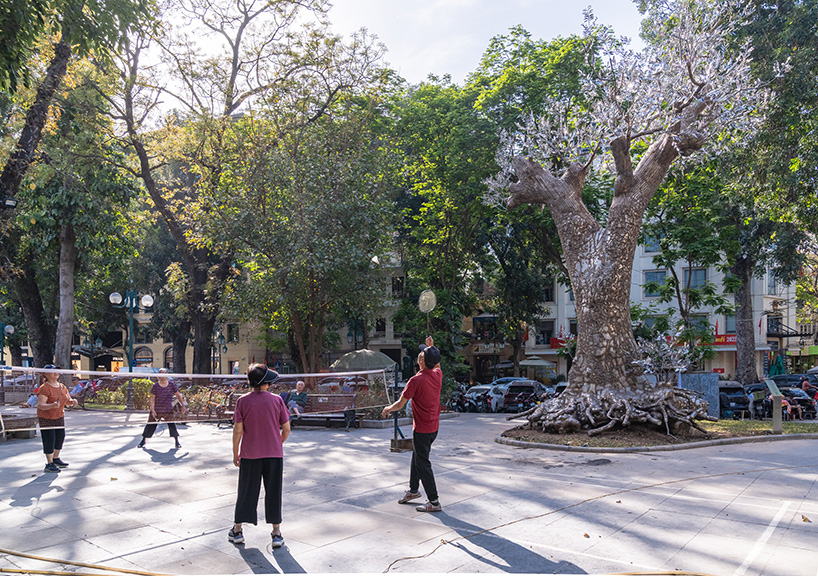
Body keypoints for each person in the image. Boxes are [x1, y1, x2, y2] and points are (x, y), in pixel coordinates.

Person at [229, 363, 291, 548]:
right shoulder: (277, 400)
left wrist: (235, 453)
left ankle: (238, 530)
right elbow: (286, 429)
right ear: (266, 383)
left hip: (250, 454)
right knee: (274, 491)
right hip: (274, 454)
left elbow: (237, 430)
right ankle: (276, 533)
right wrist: (276, 442)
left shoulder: (242, 401)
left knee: (246, 491)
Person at [382, 336, 443, 513]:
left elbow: (400, 404)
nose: (420, 353)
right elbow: (437, 364)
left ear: (421, 360)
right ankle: (413, 491)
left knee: (423, 463)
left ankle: (434, 501)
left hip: (423, 430)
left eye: (422, 352)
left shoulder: (415, 381)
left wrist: (387, 409)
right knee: (417, 456)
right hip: (434, 428)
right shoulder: (437, 375)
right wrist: (432, 347)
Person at [36, 365, 78, 473]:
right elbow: (41, 405)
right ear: (46, 374)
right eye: (52, 371)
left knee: (60, 437)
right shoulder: (44, 388)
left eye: (57, 371)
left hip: (59, 416)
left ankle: (56, 458)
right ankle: (49, 463)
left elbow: (67, 402)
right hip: (46, 417)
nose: (56, 373)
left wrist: (73, 402)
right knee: (49, 438)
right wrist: (51, 406)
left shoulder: (62, 387)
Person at [137, 368, 186, 449]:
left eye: (165, 373)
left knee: (172, 425)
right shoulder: (155, 386)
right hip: (157, 409)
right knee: (150, 425)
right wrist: (152, 410)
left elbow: (178, 395)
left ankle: (177, 441)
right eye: (162, 373)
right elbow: (152, 399)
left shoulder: (171, 385)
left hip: (168, 409)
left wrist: (183, 405)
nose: (163, 375)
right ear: (159, 376)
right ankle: (143, 440)